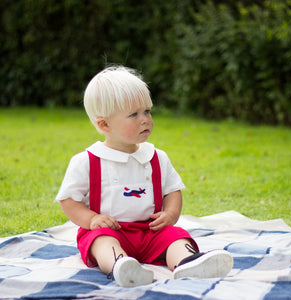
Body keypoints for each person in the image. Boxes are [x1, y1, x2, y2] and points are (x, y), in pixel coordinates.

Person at [56, 66, 233, 287]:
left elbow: (172, 191)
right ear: (104, 124)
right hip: (112, 231)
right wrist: (91, 220)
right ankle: (121, 266)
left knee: (175, 235)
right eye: (134, 115)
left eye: (147, 111)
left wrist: (170, 214)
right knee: (101, 242)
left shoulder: (156, 156)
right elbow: (68, 200)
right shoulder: (88, 161)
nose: (145, 120)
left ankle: (187, 262)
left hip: (151, 232)